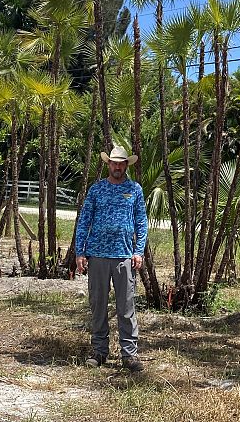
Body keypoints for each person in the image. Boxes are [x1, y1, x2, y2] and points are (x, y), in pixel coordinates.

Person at [74, 143, 148, 372]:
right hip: (97, 255)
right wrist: (80, 251)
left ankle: (129, 354)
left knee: (126, 307)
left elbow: (141, 222)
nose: (117, 167)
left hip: (124, 255)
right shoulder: (96, 189)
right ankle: (99, 351)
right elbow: (84, 220)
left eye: (121, 164)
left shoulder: (134, 189)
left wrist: (138, 251)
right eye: (114, 163)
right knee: (98, 305)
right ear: (109, 164)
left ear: (126, 165)